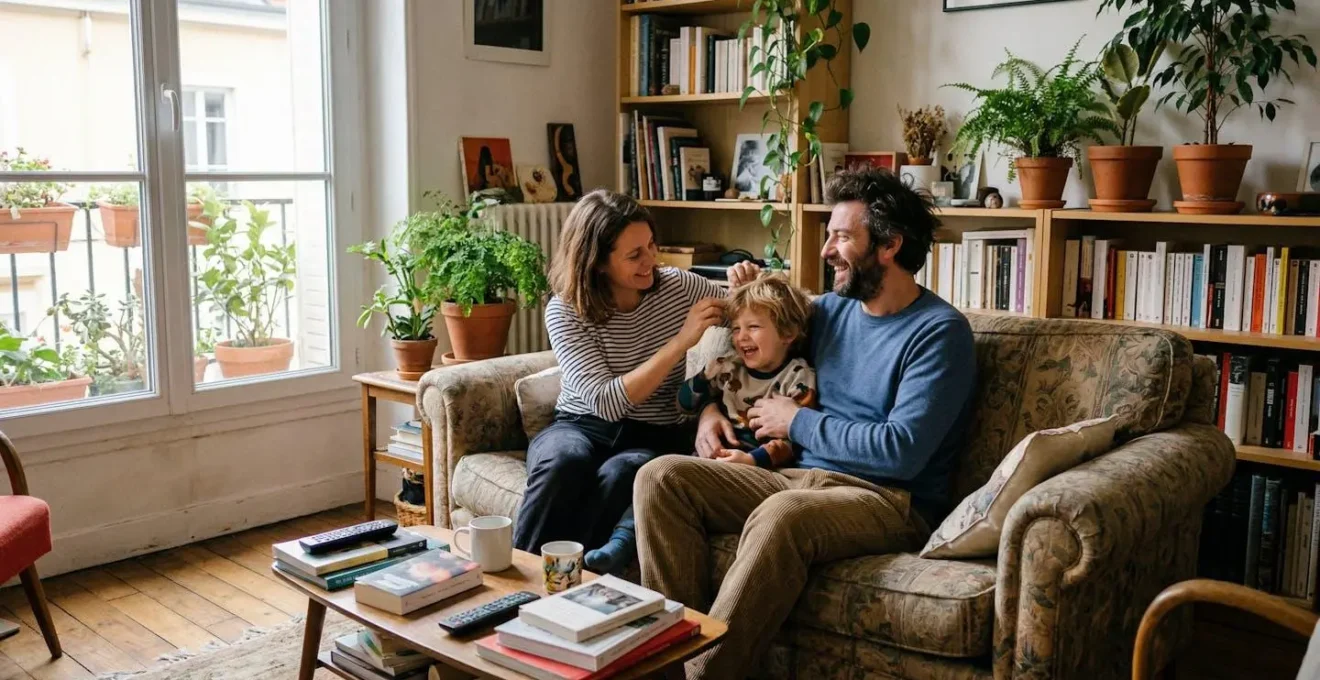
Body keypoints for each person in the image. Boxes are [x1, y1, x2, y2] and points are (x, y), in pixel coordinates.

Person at [633, 167, 978, 678]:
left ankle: (708, 675)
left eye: (842, 236)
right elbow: (759, 350)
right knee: (661, 478)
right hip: (793, 476)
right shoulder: (832, 311)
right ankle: (667, 667)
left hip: (885, 499)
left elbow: (901, 451)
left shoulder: (939, 334)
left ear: (889, 246)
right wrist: (708, 408)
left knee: (783, 514)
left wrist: (796, 422)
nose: (825, 250)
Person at [513, 189, 726, 556]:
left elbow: (747, 308)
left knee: (622, 475)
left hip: (654, 434)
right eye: (635, 255)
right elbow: (605, 403)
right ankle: (514, 580)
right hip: (580, 423)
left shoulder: (680, 287)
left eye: (650, 245)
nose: (651, 261)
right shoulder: (566, 310)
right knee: (564, 462)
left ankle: (572, 581)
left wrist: (749, 281)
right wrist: (680, 342)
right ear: (597, 262)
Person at [585, 276, 817, 573]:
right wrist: (704, 383)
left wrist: (751, 459)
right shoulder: (730, 366)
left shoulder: (797, 379)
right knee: (653, 482)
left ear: (788, 333)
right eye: (736, 328)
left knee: (664, 478)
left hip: (760, 466)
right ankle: (620, 541)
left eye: (753, 327)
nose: (741, 337)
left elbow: (792, 442)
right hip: (710, 457)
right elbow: (682, 403)